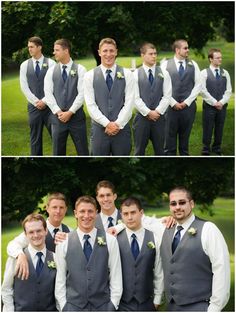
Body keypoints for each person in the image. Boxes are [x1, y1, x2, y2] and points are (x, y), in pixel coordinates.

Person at [160, 186, 230, 311]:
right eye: (173, 204)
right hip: (171, 307)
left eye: (182, 202)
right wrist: (117, 229)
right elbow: (136, 220)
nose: (177, 207)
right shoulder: (164, 229)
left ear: (191, 204)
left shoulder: (208, 229)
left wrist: (214, 308)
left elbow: (221, 269)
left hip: (199, 306)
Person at [55, 195, 122, 311]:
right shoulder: (63, 242)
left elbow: (116, 276)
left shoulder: (110, 240)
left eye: (90, 211)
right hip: (73, 307)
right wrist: (64, 307)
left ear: (96, 213)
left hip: (103, 307)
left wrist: (112, 305)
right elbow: (60, 279)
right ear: (76, 213)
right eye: (82, 211)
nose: (86, 216)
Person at [84, 37, 134, 155]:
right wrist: (107, 124)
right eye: (105, 51)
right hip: (99, 132)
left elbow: (129, 102)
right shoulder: (89, 76)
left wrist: (117, 124)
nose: (108, 54)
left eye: (111, 51)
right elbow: (91, 105)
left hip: (121, 130)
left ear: (116, 52)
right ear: (99, 52)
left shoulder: (127, 74)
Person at [7, 192, 70, 280]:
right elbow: (12, 245)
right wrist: (20, 255)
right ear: (47, 208)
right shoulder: (36, 230)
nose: (58, 211)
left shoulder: (70, 232)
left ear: (66, 209)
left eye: (61, 208)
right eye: (54, 207)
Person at [2, 213, 57, 311]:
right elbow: (6, 290)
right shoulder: (15, 259)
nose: (35, 235)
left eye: (39, 230)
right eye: (31, 232)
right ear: (25, 235)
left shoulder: (56, 258)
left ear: (46, 231)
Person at [117, 197, 164, 311]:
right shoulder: (115, 239)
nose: (129, 217)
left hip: (146, 302)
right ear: (121, 215)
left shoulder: (154, 238)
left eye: (133, 212)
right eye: (126, 213)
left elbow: (159, 271)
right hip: (121, 304)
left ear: (141, 213)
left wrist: (157, 300)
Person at [44, 38, 89, 156]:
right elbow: (48, 93)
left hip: (77, 118)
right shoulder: (51, 71)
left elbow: (82, 93)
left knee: (83, 151)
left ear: (66, 51)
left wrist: (70, 112)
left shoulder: (80, 69)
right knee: (57, 153)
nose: (54, 53)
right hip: (57, 119)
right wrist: (58, 112)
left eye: (57, 50)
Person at [161, 39, 201, 155]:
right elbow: (162, 86)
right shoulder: (165, 65)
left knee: (185, 139)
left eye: (188, 48)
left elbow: (198, 85)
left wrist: (186, 102)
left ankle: (184, 156)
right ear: (177, 50)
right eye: (185, 48)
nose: (188, 50)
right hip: (170, 108)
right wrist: (173, 103)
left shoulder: (193, 64)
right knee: (169, 139)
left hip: (188, 108)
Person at [133, 42, 172, 155]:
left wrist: (158, 112)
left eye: (155, 53)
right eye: (150, 54)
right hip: (141, 119)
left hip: (159, 119)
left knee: (160, 151)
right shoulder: (135, 74)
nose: (154, 56)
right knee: (139, 150)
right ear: (142, 55)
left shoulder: (164, 73)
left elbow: (167, 95)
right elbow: (135, 98)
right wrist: (148, 112)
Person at [19, 36, 55, 155]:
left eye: (32, 47)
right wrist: (36, 102)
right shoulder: (24, 65)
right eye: (28, 47)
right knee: (35, 138)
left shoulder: (51, 63)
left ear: (39, 47)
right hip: (33, 108)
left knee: (56, 136)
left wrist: (44, 101)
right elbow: (24, 87)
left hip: (50, 107)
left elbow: (54, 85)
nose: (29, 49)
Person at [200, 48, 232, 156]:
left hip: (222, 106)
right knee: (208, 126)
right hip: (209, 106)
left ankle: (217, 147)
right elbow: (202, 90)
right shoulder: (204, 73)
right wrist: (214, 102)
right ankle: (205, 148)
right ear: (210, 59)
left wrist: (221, 102)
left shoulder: (225, 73)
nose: (220, 59)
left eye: (221, 57)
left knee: (220, 126)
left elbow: (228, 90)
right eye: (217, 58)